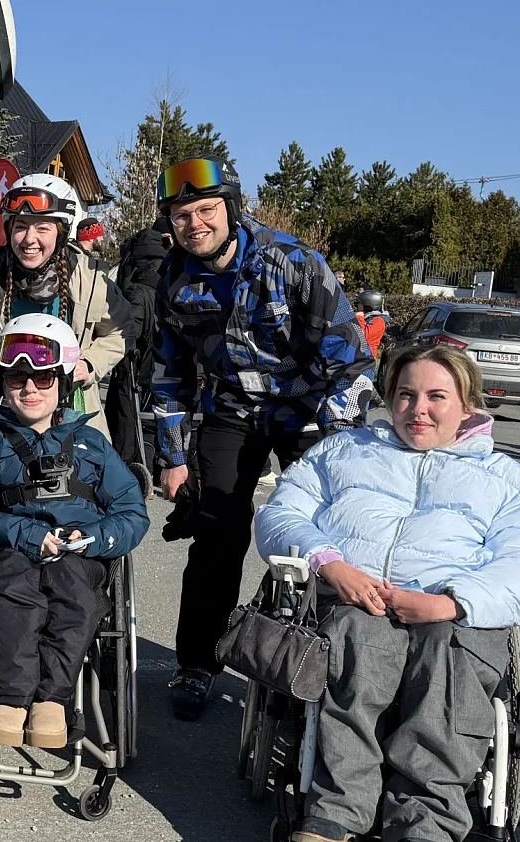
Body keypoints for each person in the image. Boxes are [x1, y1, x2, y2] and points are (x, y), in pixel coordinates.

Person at [254, 344, 520, 842]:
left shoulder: (503, 480)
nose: (418, 409)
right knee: (359, 643)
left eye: (437, 396)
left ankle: (426, 822)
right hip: (355, 595)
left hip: (450, 608)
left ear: (467, 404)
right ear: (388, 399)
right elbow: (281, 512)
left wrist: (454, 603)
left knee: (449, 654)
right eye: (405, 395)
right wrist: (330, 565)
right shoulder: (343, 451)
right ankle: (336, 813)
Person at [150, 156, 374, 721]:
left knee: (324, 535)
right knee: (216, 533)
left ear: (230, 207)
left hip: (310, 408)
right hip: (231, 409)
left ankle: (324, 663)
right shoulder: (173, 277)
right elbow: (167, 372)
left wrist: (338, 448)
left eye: (205, 210)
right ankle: (197, 663)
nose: (194, 223)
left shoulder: (294, 262)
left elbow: (353, 361)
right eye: (181, 214)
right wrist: (174, 457)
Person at [0, 315, 148, 749]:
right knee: (16, 586)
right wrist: (22, 533)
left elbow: (132, 511)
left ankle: (52, 701)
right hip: (7, 553)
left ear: (62, 383)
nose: (30, 389)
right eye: (17, 379)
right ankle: (11, 700)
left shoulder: (93, 444)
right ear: (2, 383)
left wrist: (93, 538)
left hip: (76, 553)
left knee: (75, 589)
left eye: (41, 378)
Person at [0, 174, 131, 464]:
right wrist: (15, 365)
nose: (29, 240)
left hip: (71, 420)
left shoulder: (92, 280)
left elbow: (121, 332)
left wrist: (89, 365)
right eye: (20, 227)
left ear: (61, 232)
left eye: (42, 228)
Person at [105, 217, 173, 490]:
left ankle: (126, 468)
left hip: (136, 364)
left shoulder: (135, 278)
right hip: (163, 361)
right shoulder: (171, 273)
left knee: (125, 415)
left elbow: (129, 326)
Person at [354, 289, 390, 360]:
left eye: (360, 305)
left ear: (369, 305)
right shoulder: (368, 317)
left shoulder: (379, 321)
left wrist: (359, 318)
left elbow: (363, 336)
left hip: (366, 359)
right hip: (359, 356)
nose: (358, 307)